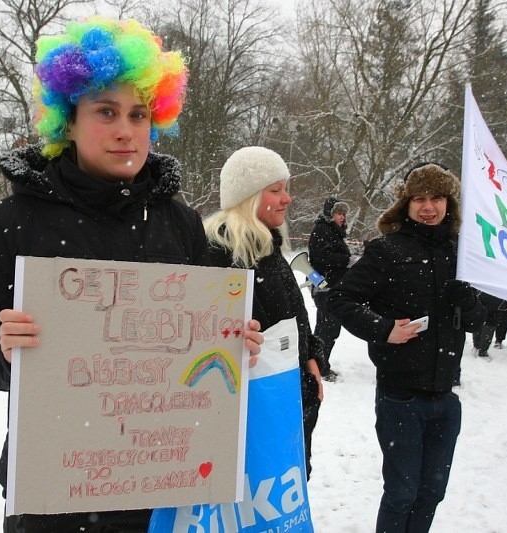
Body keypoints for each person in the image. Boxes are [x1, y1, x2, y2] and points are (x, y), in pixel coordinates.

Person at [0, 18, 263, 533]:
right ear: (67, 121)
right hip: (51, 487)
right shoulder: (13, 221)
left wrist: (235, 340)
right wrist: (0, 350)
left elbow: (208, 335)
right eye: (106, 112)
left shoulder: (180, 222)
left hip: (162, 483)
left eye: (139, 115)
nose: (125, 130)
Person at [328, 162, 483, 533]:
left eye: (437, 198)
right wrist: (383, 330)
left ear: (450, 203)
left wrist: (470, 303)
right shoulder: (387, 250)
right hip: (401, 398)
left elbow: (481, 322)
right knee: (402, 493)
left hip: (445, 398)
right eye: (420, 198)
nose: (428, 207)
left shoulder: (463, 253)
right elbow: (343, 299)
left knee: (432, 492)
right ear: (407, 203)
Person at [201, 146, 324, 480]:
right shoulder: (221, 252)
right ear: (248, 196)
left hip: (284, 402)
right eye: (276, 190)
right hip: (250, 415)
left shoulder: (266, 246)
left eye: (286, 188)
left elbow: (293, 315)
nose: (287, 199)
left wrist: (310, 356)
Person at [308, 196, 352, 381]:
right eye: (338, 213)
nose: (342, 217)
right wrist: (347, 260)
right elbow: (321, 257)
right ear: (330, 214)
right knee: (327, 329)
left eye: (343, 214)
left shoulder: (334, 232)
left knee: (329, 328)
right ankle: (319, 367)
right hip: (324, 287)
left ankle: (319, 365)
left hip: (332, 287)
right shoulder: (323, 230)